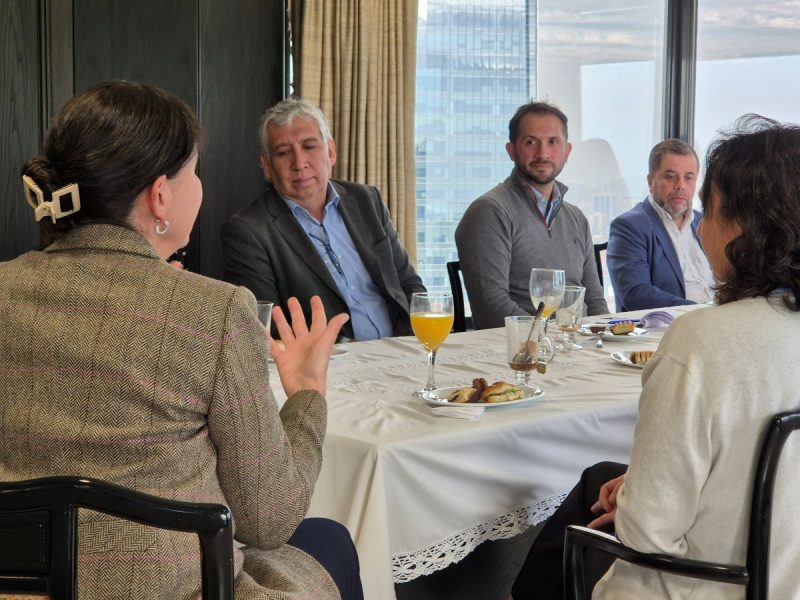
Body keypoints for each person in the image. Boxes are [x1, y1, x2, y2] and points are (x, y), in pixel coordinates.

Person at [1, 80, 363, 600]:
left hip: (20, 588)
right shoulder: (214, 311)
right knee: (329, 539)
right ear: (160, 195)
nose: (200, 185)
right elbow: (269, 519)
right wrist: (307, 393)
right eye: (194, 172)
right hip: (171, 589)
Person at [512, 114, 800, 599]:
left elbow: (648, 533)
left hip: (707, 584)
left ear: (741, 228)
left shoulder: (700, 342)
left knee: (561, 533)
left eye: (710, 207)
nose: (702, 226)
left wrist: (634, 497)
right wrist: (639, 483)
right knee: (600, 479)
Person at [222, 98, 425, 341]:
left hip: (403, 348)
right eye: (283, 152)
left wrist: (420, 342)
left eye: (309, 147)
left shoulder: (366, 200)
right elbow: (267, 328)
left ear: (330, 152)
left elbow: (408, 284)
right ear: (266, 166)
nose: (299, 164)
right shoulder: (248, 231)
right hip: (331, 360)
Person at [455, 101, 608, 329]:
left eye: (553, 142)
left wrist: (607, 336)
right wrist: (551, 339)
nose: (543, 153)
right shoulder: (489, 212)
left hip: (577, 342)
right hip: (519, 347)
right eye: (530, 142)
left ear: (567, 152)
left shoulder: (576, 218)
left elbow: (594, 300)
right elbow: (491, 306)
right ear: (511, 150)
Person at [607, 139, 715, 311]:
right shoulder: (629, 227)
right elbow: (636, 294)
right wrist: (699, 311)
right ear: (651, 182)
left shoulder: (706, 222)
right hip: (670, 324)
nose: (681, 186)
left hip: (720, 319)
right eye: (670, 177)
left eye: (689, 178)